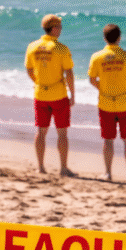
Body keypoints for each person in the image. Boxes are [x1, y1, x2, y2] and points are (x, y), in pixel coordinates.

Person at [88, 23, 126, 182]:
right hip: (125, 103)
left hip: (105, 103)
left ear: (104, 38)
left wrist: (102, 88)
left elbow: (92, 79)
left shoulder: (97, 57)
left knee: (108, 140)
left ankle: (107, 173)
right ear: (119, 38)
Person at [25, 14, 76, 177]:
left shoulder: (32, 46)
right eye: (59, 27)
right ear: (54, 28)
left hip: (40, 93)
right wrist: (72, 94)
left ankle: (40, 167)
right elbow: (69, 73)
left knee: (41, 131)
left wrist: (39, 82)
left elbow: (29, 69)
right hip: (59, 95)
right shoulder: (61, 48)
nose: (61, 30)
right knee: (62, 133)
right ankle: (63, 168)